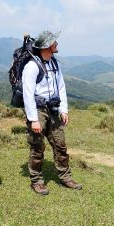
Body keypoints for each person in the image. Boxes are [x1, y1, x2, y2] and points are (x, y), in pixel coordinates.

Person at [22, 30, 82, 195]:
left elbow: (61, 87)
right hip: (38, 110)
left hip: (53, 109)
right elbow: (28, 95)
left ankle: (66, 177)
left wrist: (63, 109)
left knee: (60, 145)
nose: (57, 44)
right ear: (47, 46)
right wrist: (33, 119)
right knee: (37, 147)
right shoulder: (31, 66)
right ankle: (37, 181)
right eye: (54, 42)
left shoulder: (55, 63)